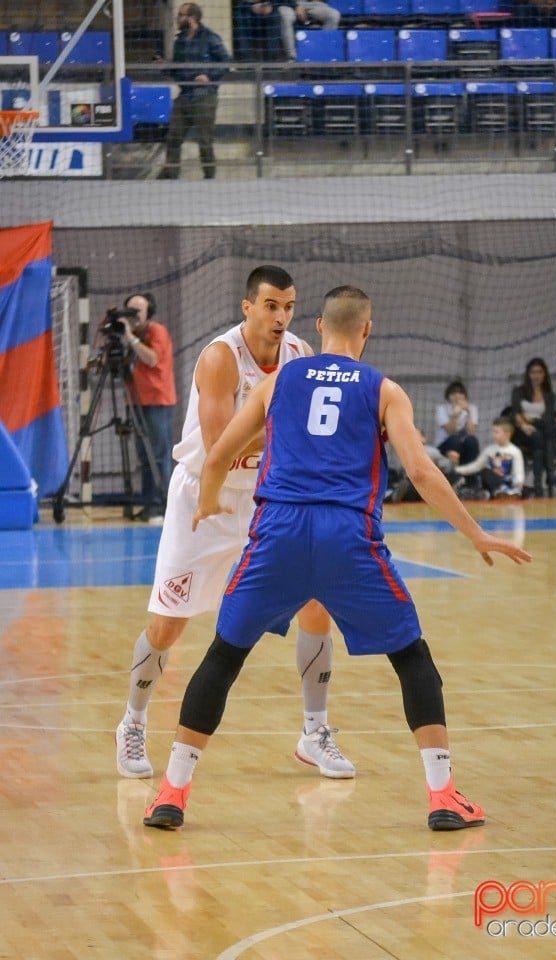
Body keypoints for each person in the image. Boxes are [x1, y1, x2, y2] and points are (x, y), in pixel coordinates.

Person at [142, 285, 532, 833]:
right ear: (366, 331)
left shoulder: (280, 380)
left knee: (224, 657)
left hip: (278, 532)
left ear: (319, 327)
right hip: (350, 538)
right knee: (412, 660)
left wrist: (207, 503)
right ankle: (443, 796)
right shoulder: (384, 390)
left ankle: (172, 793)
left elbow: (221, 450)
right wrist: (477, 534)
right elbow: (420, 472)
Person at [116, 266, 354, 781]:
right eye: (271, 306)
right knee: (168, 624)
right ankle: (133, 721)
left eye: (288, 307)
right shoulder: (221, 358)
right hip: (207, 498)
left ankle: (315, 732)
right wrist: (287, 427)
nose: (281, 317)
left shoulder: (299, 357)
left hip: (266, 501)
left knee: (317, 605)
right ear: (248, 307)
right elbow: (223, 443)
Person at [119, 293, 176, 523]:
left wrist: (129, 337)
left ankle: (163, 505)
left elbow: (151, 359)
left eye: (138, 312)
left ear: (148, 313)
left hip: (157, 400)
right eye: (129, 311)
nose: (133, 316)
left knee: (159, 456)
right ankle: (148, 503)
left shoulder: (156, 331)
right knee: (143, 457)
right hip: (136, 401)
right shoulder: (132, 334)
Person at [157, 3, 230, 180]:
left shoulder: (210, 37)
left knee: (205, 141)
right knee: (174, 136)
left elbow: (226, 61)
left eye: (181, 15)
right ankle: (171, 174)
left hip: (204, 95)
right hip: (185, 94)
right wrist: (165, 66)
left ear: (192, 18)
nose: (178, 19)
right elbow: (178, 69)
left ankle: (209, 175)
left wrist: (209, 76)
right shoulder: (180, 41)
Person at [510, 357, 556, 498]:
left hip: (541, 431)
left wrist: (531, 418)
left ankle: (539, 483)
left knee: (545, 434)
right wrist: (524, 424)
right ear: (528, 374)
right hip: (522, 432)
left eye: (540, 372)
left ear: (544, 374)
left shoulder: (550, 395)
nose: (536, 375)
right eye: (533, 372)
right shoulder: (519, 392)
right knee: (545, 435)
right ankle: (547, 476)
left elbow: (548, 417)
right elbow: (516, 412)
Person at [453, 416, 525, 500]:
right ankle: (495, 492)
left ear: (507, 434)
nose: (493, 434)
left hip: (507, 481)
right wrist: (457, 470)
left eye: (496, 432)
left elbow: (518, 470)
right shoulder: (489, 450)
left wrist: (519, 482)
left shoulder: (515, 451)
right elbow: (476, 466)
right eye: (493, 431)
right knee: (485, 472)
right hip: (493, 482)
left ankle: (507, 491)